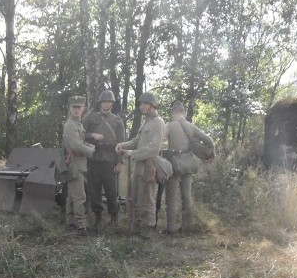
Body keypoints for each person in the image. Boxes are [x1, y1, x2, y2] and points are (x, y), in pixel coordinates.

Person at [116, 92, 165, 239]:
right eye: (140, 104)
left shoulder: (158, 122)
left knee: (147, 199)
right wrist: (122, 144)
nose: (141, 106)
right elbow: (137, 140)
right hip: (138, 167)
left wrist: (132, 153)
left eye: (145, 103)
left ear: (152, 105)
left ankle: (147, 231)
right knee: (135, 197)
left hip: (148, 167)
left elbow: (154, 148)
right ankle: (136, 228)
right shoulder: (147, 122)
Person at [163, 102, 214, 234]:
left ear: (173, 113)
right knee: (187, 196)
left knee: (171, 197)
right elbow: (209, 140)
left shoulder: (169, 125)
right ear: (184, 113)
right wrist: (209, 156)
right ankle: (186, 227)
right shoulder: (191, 127)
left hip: (175, 164)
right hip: (189, 164)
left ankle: (170, 228)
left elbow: (160, 138)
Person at [83, 90, 126, 234]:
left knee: (111, 192)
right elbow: (81, 134)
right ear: (100, 103)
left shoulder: (117, 120)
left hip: (110, 161)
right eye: (104, 101)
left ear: (112, 104)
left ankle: (114, 218)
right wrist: (92, 135)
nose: (106, 104)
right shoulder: (91, 118)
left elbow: (122, 144)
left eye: (109, 101)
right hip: (94, 160)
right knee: (94, 191)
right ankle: (98, 218)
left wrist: (120, 162)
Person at [62, 96, 97, 235]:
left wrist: (88, 145)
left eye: (79, 107)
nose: (76, 110)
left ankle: (70, 223)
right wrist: (90, 151)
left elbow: (78, 141)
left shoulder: (77, 124)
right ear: (70, 109)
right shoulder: (71, 124)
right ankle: (80, 226)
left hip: (77, 163)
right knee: (79, 197)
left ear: (83, 109)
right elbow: (76, 145)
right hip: (75, 164)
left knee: (72, 196)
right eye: (74, 107)